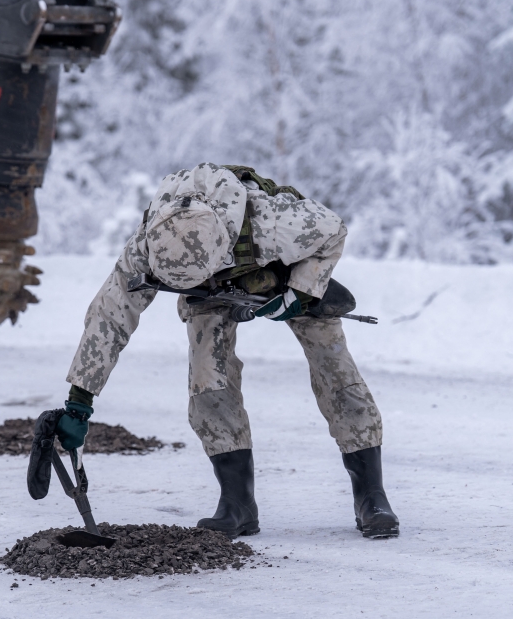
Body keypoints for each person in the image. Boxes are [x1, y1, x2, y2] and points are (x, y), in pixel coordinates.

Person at [54, 163, 399, 539]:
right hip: (209, 295)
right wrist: (79, 401)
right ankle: (237, 504)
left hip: (286, 274)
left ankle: (371, 495)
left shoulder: (273, 224)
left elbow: (333, 230)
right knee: (208, 384)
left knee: (334, 370)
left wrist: (300, 292)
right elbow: (109, 319)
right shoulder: (147, 248)